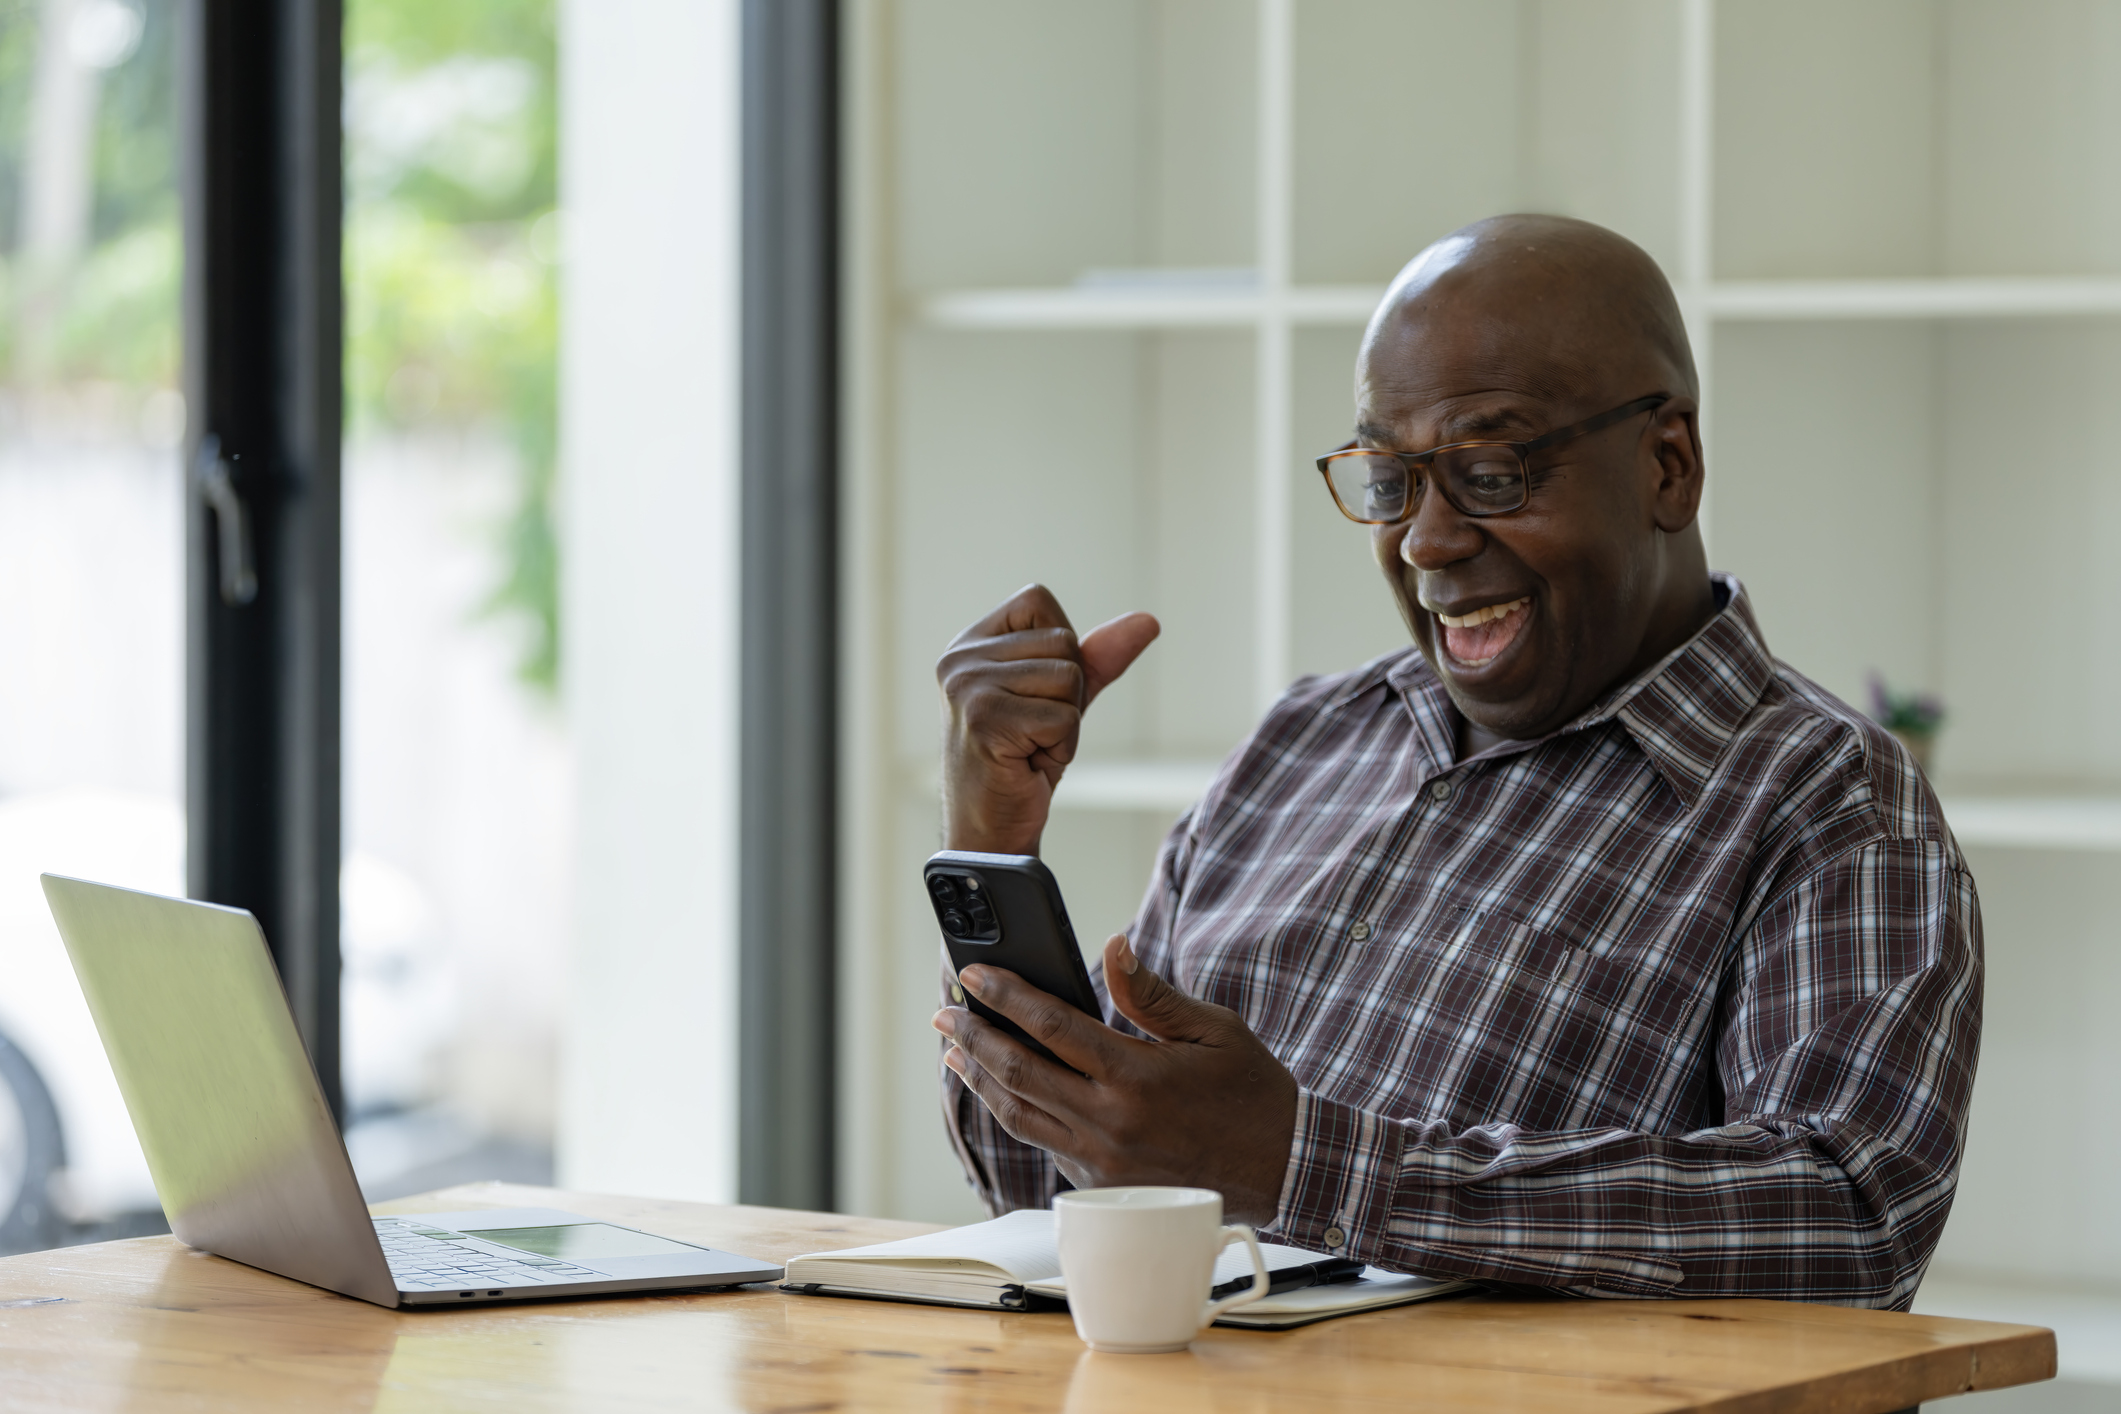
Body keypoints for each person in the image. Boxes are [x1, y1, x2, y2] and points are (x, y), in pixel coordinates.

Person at [930, 214, 1980, 1310]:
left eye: (1490, 469)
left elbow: (1850, 1221)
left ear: (1668, 467)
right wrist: (989, 846)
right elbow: (1037, 1188)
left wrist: (1304, 1164)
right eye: (1391, 479)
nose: (1425, 540)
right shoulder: (1301, 746)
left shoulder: (1826, 801)